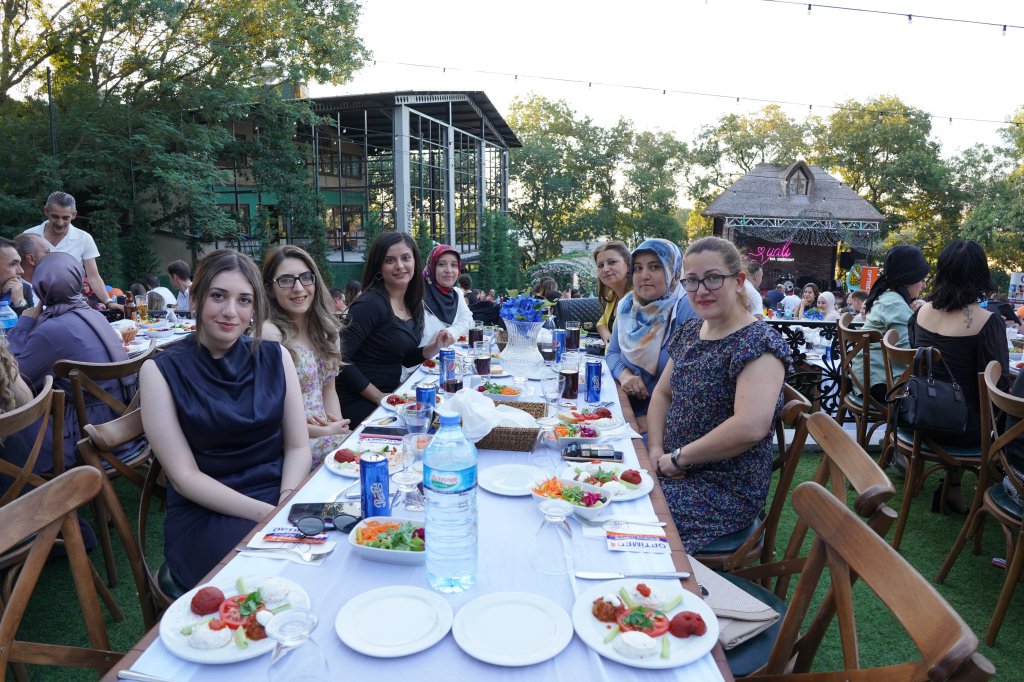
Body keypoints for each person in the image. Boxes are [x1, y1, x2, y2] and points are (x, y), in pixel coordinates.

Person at [140, 249, 311, 589]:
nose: (231, 311)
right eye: (218, 296)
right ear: (195, 299)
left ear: (254, 308)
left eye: (244, 300)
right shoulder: (159, 371)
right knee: (276, 579)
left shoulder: (276, 356)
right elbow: (185, 477)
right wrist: (268, 516)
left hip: (281, 493)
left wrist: (286, 501)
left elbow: (297, 446)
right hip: (207, 512)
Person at [646, 236, 791, 553]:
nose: (701, 290)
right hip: (672, 468)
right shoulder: (690, 331)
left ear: (738, 281)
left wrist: (678, 458)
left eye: (713, 278)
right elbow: (662, 394)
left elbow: (750, 427)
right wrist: (655, 449)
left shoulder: (759, 343)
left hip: (722, 492)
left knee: (627, 511)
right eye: (692, 280)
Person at [7, 252, 135, 470]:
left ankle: (24, 483)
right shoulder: (95, 315)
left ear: (40, 287)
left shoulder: (50, 329)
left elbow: (17, 377)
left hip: (90, 435)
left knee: (12, 418)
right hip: (128, 423)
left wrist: (24, 323)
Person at [909, 240, 1010, 511]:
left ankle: (951, 488)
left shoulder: (920, 313)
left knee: (960, 399)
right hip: (962, 428)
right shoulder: (987, 322)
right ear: (980, 274)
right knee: (985, 409)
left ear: (942, 271)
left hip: (918, 417)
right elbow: (997, 386)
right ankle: (1009, 487)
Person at [336, 232, 454, 428]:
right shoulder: (370, 304)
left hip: (389, 395)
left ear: (415, 262)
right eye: (390, 260)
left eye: (405, 258)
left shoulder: (413, 303)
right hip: (357, 400)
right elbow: (340, 359)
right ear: (379, 267)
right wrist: (378, 396)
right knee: (423, 428)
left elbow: (402, 357)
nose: (400, 266)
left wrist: (434, 347)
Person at [262, 245, 351, 467]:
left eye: (305, 277)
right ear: (270, 289)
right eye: (286, 280)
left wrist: (337, 430)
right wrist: (324, 432)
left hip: (326, 440)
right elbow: (269, 415)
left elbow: (328, 389)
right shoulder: (270, 334)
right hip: (290, 448)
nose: (298, 287)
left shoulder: (326, 329)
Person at [606, 239, 698, 432]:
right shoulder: (627, 306)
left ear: (673, 270)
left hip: (670, 425)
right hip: (628, 412)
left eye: (655, 267)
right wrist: (625, 375)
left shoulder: (688, 309)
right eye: (638, 268)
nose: (644, 276)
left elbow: (693, 386)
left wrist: (651, 422)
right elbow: (612, 352)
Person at [851, 244, 929, 402]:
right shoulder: (895, 304)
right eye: (921, 279)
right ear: (909, 279)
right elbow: (907, 354)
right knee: (938, 398)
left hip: (866, 379)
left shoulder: (885, 297)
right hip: (881, 385)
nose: (924, 285)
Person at [25, 191, 121, 311]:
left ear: (74, 215)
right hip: (35, 305)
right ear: (46, 211)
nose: (60, 223)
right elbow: (21, 274)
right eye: (55, 216)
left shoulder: (84, 238)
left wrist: (108, 302)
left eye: (65, 218)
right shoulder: (29, 236)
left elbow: (93, 276)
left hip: (70, 305)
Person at [420, 244, 474, 346]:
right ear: (431, 267)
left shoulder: (457, 294)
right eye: (441, 264)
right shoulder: (418, 295)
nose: (449, 270)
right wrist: (457, 330)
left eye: (454, 265)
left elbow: (469, 323)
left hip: (453, 355)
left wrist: (448, 332)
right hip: (424, 356)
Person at [593, 240, 632, 343]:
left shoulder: (636, 299)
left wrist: (610, 343)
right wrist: (609, 340)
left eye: (612, 262)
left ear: (628, 266)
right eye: (600, 265)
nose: (605, 269)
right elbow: (601, 324)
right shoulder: (613, 295)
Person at [0, 237, 33, 314]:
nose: (21, 271)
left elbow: (30, 321)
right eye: (13, 264)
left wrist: (19, 302)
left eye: (19, 263)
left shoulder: (23, 289)